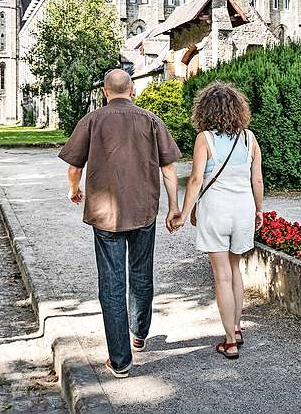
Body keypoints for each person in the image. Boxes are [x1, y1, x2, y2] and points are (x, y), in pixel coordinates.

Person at [58, 69, 182, 379]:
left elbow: (75, 165)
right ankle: (139, 334)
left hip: (105, 215)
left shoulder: (93, 119)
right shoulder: (151, 120)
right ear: (133, 90)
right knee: (141, 273)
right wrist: (174, 207)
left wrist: (74, 189)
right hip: (144, 211)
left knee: (111, 283)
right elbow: (168, 169)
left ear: (105, 92)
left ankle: (120, 360)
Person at [171, 81, 265, 360]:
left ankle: (229, 341)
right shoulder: (250, 138)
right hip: (243, 210)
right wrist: (259, 210)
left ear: (205, 111)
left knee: (221, 275)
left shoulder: (205, 139)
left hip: (216, 211)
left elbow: (197, 179)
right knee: (236, 272)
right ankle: (236, 328)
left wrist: (184, 212)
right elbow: (257, 179)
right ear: (239, 110)